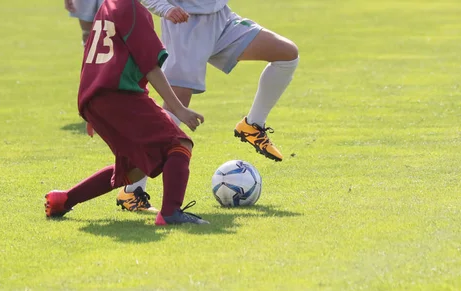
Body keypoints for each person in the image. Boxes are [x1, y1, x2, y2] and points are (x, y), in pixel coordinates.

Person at [45, 0, 209, 225]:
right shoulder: (132, 9)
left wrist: (91, 111)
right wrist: (179, 109)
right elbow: (151, 66)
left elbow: (91, 57)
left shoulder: (107, 5)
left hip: (96, 98)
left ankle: (63, 200)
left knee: (133, 170)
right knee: (179, 144)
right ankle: (170, 213)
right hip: (120, 96)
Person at [120, 0, 300, 197]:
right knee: (171, 116)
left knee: (287, 54)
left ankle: (253, 124)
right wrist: (165, 8)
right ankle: (132, 192)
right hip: (185, 25)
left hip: (221, 18)